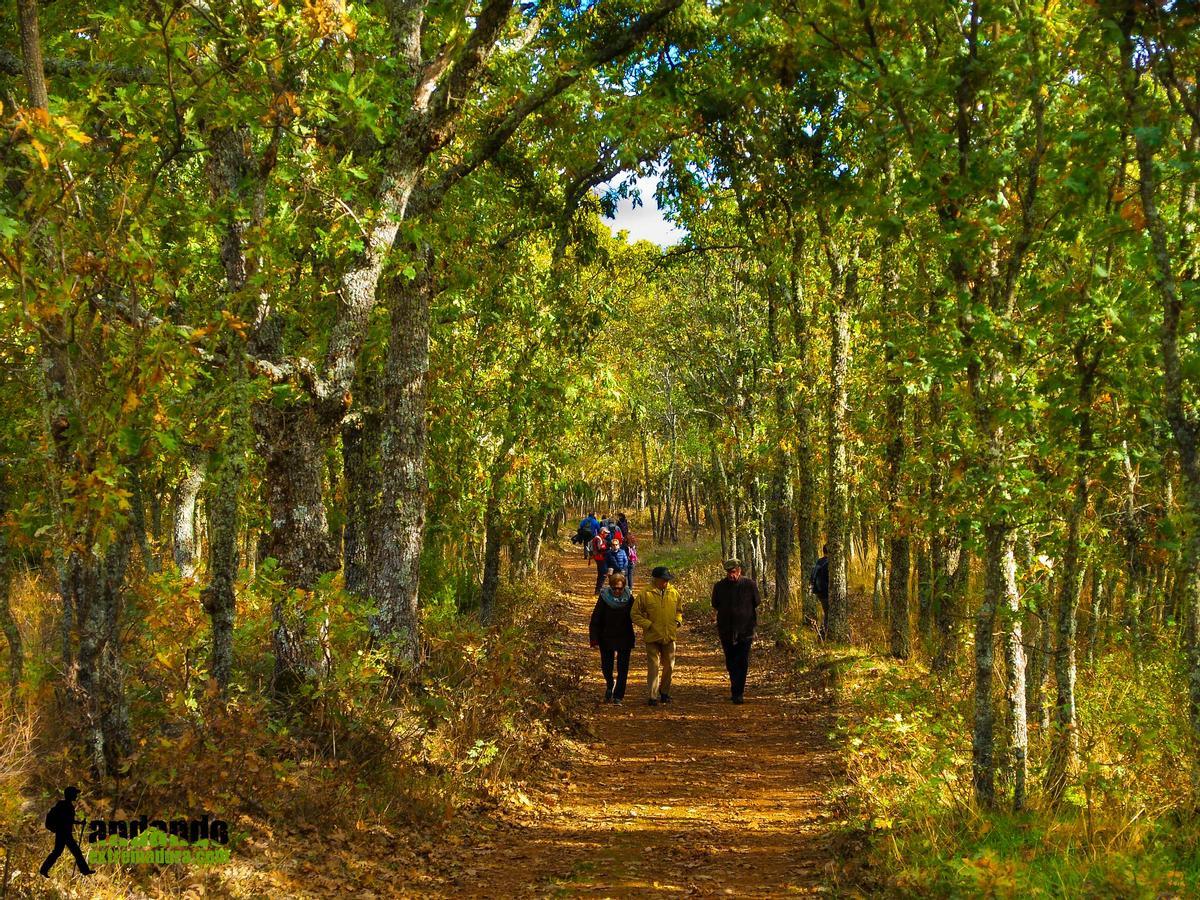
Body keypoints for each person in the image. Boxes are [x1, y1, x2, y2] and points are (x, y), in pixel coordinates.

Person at [631, 566, 683, 706]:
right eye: (663, 580)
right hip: (652, 636)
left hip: (669, 635)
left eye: (667, 580)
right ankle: (652, 696)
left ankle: (664, 693)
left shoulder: (674, 593)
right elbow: (634, 614)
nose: (665, 582)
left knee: (669, 666)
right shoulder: (645, 594)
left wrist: (678, 621)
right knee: (653, 666)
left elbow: (679, 610)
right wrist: (647, 624)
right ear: (656, 579)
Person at [711, 558, 760, 704]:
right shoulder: (719, 586)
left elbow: (757, 602)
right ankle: (735, 688)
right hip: (726, 630)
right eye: (729, 573)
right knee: (731, 661)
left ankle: (738, 693)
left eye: (733, 572)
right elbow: (715, 604)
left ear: (739, 570)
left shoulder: (750, 585)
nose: (731, 575)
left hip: (746, 630)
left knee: (742, 660)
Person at [589, 571, 636, 704]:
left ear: (624, 587)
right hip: (606, 636)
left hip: (624, 636)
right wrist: (594, 639)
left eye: (620, 588)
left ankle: (618, 696)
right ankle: (610, 684)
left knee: (623, 668)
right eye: (614, 588)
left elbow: (637, 615)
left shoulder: (629, 598)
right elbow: (596, 619)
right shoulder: (604, 598)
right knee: (606, 667)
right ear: (610, 587)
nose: (617, 591)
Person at [40, 786, 93, 877]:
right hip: (64, 833)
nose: (76, 795)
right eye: (75, 794)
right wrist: (79, 823)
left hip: (63, 833)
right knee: (74, 852)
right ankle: (85, 870)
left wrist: (79, 823)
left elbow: (68, 820)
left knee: (60, 852)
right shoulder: (67, 806)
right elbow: (66, 820)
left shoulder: (64, 805)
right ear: (70, 795)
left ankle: (44, 870)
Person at [809, 544, 830, 639]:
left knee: (826, 612)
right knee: (828, 614)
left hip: (819, 592)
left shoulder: (819, 561)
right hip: (826, 592)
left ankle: (822, 634)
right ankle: (822, 635)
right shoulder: (829, 563)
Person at [591, 527, 611, 594]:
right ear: (602, 532)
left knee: (601, 574)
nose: (607, 534)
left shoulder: (600, 538)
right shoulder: (598, 538)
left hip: (600, 558)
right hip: (600, 558)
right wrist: (607, 548)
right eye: (606, 533)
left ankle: (598, 589)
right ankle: (598, 589)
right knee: (603, 574)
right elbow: (599, 548)